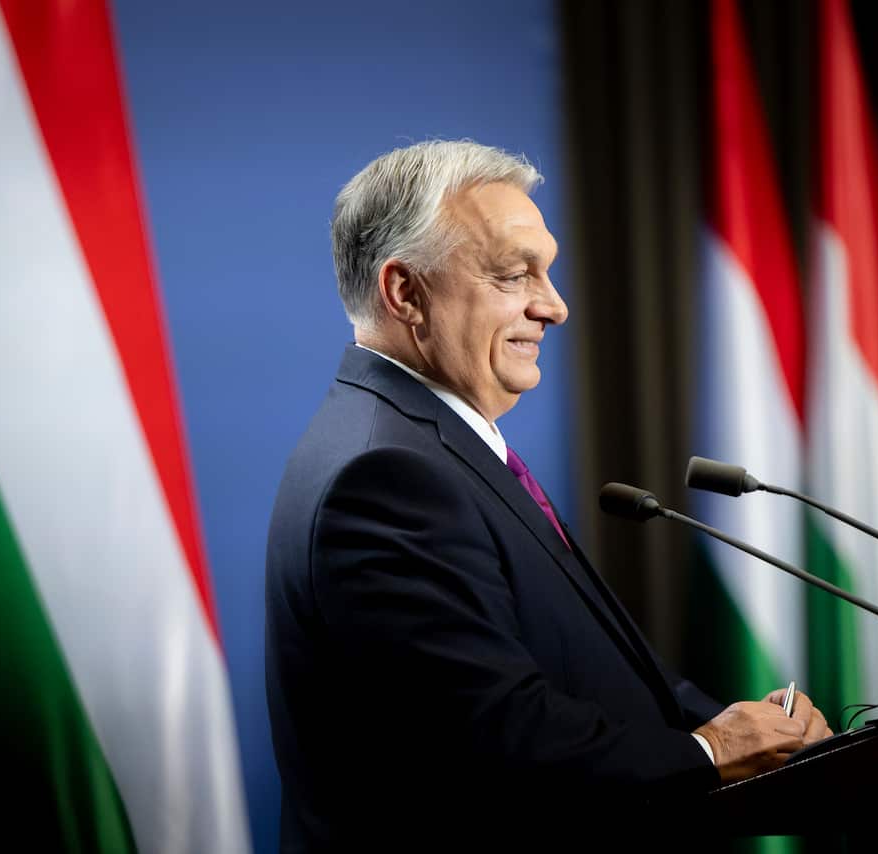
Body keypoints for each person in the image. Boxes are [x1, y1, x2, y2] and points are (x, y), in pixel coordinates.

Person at [264, 140, 830, 852]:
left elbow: (590, 676)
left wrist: (751, 729)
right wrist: (710, 753)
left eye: (548, 272)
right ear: (405, 292)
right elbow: (497, 737)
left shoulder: (430, 443)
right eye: (512, 274)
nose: (555, 307)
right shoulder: (385, 477)